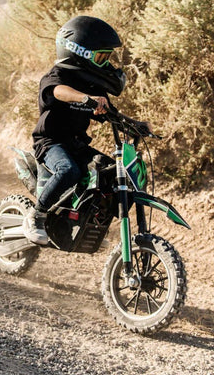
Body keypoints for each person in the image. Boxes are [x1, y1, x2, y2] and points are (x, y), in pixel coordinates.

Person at [23, 15, 135, 245]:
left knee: (110, 174)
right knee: (69, 170)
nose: (105, 62)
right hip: (51, 142)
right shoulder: (57, 76)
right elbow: (58, 92)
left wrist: (136, 125)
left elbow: (112, 114)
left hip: (76, 144)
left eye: (106, 57)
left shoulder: (92, 84)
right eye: (100, 57)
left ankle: (85, 222)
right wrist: (85, 98)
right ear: (79, 51)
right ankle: (36, 215)